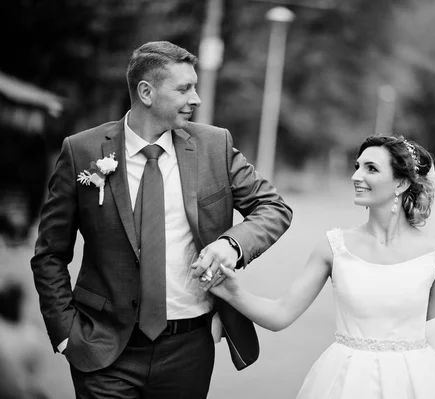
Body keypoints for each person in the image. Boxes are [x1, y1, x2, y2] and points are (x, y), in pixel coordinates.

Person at [30, 41, 292, 399]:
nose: (196, 98)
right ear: (146, 92)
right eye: (184, 88)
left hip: (188, 349)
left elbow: (273, 207)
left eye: (195, 87)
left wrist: (232, 244)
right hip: (103, 347)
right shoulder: (83, 152)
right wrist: (65, 333)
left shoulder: (214, 146)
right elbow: (49, 254)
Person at [208, 135, 435, 398]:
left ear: (401, 183)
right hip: (344, 380)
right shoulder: (334, 246)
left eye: (371, 168)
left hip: (415, 382)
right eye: (357, 166)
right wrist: (232, 290)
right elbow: (280, 315)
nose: (357, 175)